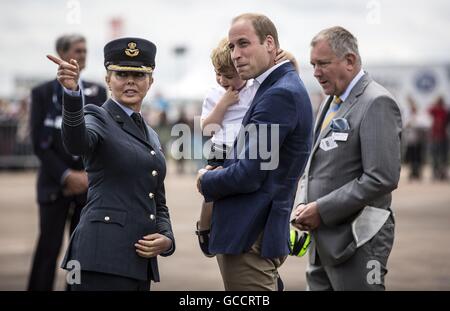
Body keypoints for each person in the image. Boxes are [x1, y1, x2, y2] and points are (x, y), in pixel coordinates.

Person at [47, 37, 175, 291]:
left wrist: (167, 238)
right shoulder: (97, 116)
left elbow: (156, 198)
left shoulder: (149, 133)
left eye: (139, 75)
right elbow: (76, 143)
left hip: (138, 264)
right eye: (121, 74)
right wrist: (73, 94)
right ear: (108, 79)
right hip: (101, 258)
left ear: (151, 81)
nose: (130, 81)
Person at [196, 13, 313, 290]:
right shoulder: (277, 86)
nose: (236, 54)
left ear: (270, 43)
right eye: (232, 47)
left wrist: (205, 180)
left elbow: (249, 174)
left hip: (249, 233)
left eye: (243, 44)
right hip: (256, 231)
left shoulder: (278, 94)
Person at [292, 26, 402, 291]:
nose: (316, 72)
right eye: (313, 64)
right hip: (322, 241)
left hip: (358, 241)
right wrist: (303, 204)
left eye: (323, 64)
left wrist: (322, 210)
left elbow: (381, 178)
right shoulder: (331, 100)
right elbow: (315, 165)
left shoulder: (377, 102)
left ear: (350, 61)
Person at [28, 34, 107, 291]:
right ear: (61, 53)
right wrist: (66, 175)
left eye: (85, 50)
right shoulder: (41, 93)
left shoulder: (98, 91)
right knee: (48, 250)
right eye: (77, 50)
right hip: (54, 186)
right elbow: (39, 142)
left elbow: (102, 139)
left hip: (87, 188)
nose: (83, 54)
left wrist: (86, 175)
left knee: (81, 253)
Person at [428, 96, 449, 180]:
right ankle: (435, 173)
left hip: (443, 137)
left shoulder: (445, 111)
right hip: (435, 137)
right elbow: (429, 110)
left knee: (443, 157)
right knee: (435, 157)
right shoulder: (434, 110)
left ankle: (442, 173)